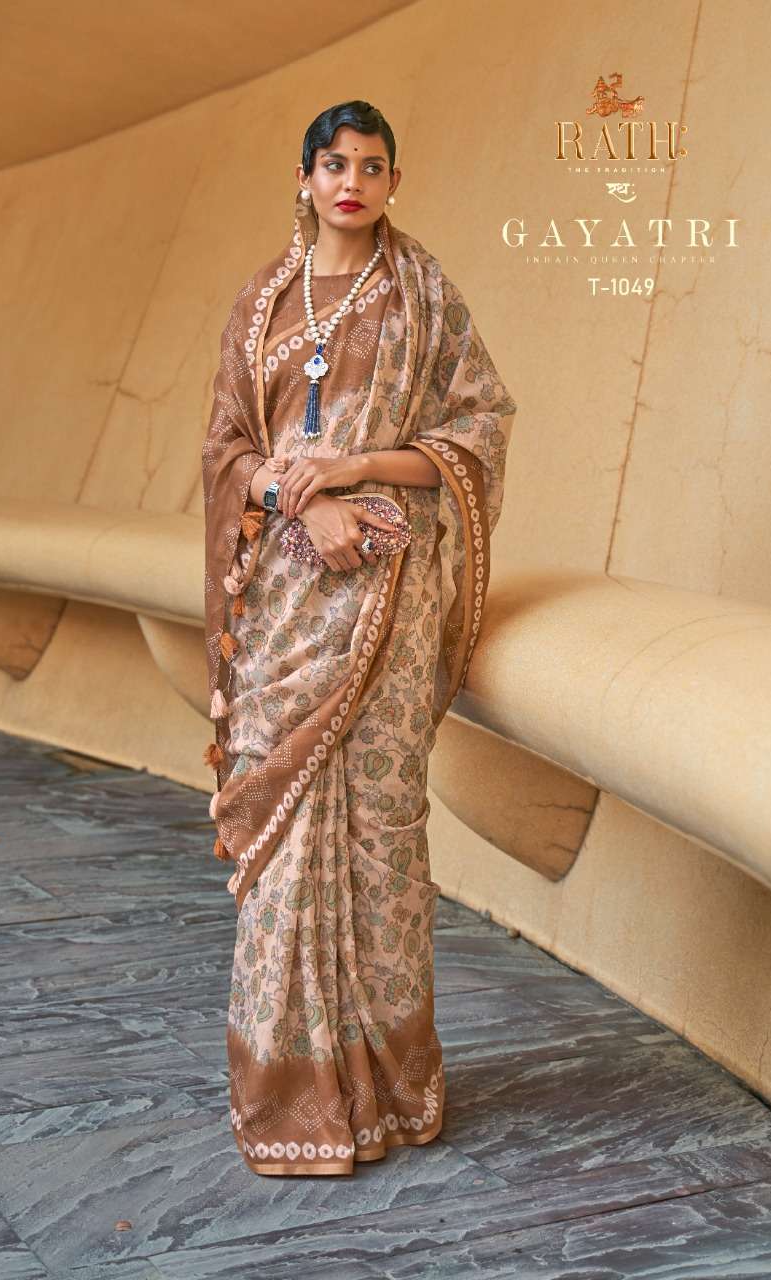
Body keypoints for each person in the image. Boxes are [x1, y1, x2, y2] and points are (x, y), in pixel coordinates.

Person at [201, 100, 517, 1177]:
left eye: (371, 166)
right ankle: (289, 1098)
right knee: (286, 838)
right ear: (303, 176)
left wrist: (358, 468)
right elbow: (227, 449)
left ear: (392, 182)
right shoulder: (260, 301)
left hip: (386, 602)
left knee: (380, 836)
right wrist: (304, 497)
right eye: (333, 163)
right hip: (282, 608)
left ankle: (386, 1092)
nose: (351, 181)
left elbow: (476, 432)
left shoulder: (422, 296)